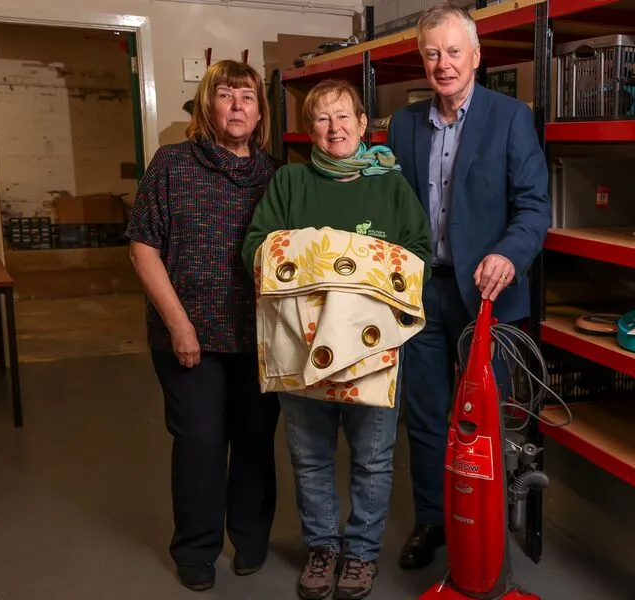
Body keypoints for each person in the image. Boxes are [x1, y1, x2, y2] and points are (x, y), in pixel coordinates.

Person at [242, 79, 432, 600]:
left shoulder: (389, 185)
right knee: (311, 456)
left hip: (371, 350)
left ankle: (361, 555)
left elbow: (418, 253)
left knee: (373, 458)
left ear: (363, 124)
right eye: (323, 118)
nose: (335, 128)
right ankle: (323, 549)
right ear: (310, 129)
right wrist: (334, 257)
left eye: (344, 116)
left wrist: (351, 272)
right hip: (300, 346)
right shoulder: (288, 183)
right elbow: (256, 248)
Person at [387, 1, 552, 570]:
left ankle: (490, 519)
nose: (443, 64)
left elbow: (533, 207)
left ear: (476, 56)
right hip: (421, 292)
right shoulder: (404, 124)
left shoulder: (510, 117)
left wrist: (508, 254)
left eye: (454, 51)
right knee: (427, 413)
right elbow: (391, 206)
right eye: (432, 53)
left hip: (488, 296)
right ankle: (433, 521)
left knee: (487, 416)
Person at [125, 59, 281, 592]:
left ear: (260, 112)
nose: (237, 106)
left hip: (260, 337)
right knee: (200, 442)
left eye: (248, 97)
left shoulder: (275, 175)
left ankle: (252, 537)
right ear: (207, 105)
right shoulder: (171, 164)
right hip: (188, 335)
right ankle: (195, 547)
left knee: (257, 440)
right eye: (226, 95)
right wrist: (179, 325)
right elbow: (143, 248)